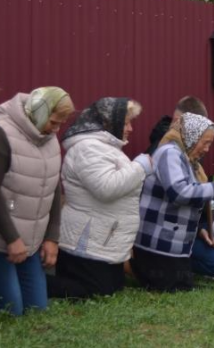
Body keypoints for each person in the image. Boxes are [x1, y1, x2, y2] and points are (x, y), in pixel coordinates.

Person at [0, 87, 74, 316]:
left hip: (30, 244)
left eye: (60, 123)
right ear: (39, 112)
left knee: (36, 309)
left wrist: (52, 237)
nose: (56, 129)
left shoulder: (48, 137)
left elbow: (52, 187)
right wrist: (12, 239)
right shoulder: (0, 134)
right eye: (53, 122)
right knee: (10, 311)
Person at [47, 97, 152, 300]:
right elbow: (106, 187)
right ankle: (32, 283)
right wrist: (140, 167)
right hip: (85, 241)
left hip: (101, 239)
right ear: (108, 122)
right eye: (126, 122)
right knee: (93, 292)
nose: (130, 128)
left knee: (112, 288)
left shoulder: (104, 147)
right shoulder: (88, 148)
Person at [132, 113, 214, 292]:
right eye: (206, 142)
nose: (207, 149)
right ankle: (131, 268)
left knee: (182, 284)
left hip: (171, 243)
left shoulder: (184, 157)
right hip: (158, 243)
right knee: (171, 286)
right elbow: (178, 192)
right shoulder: (170, 153)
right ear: (192, 136)